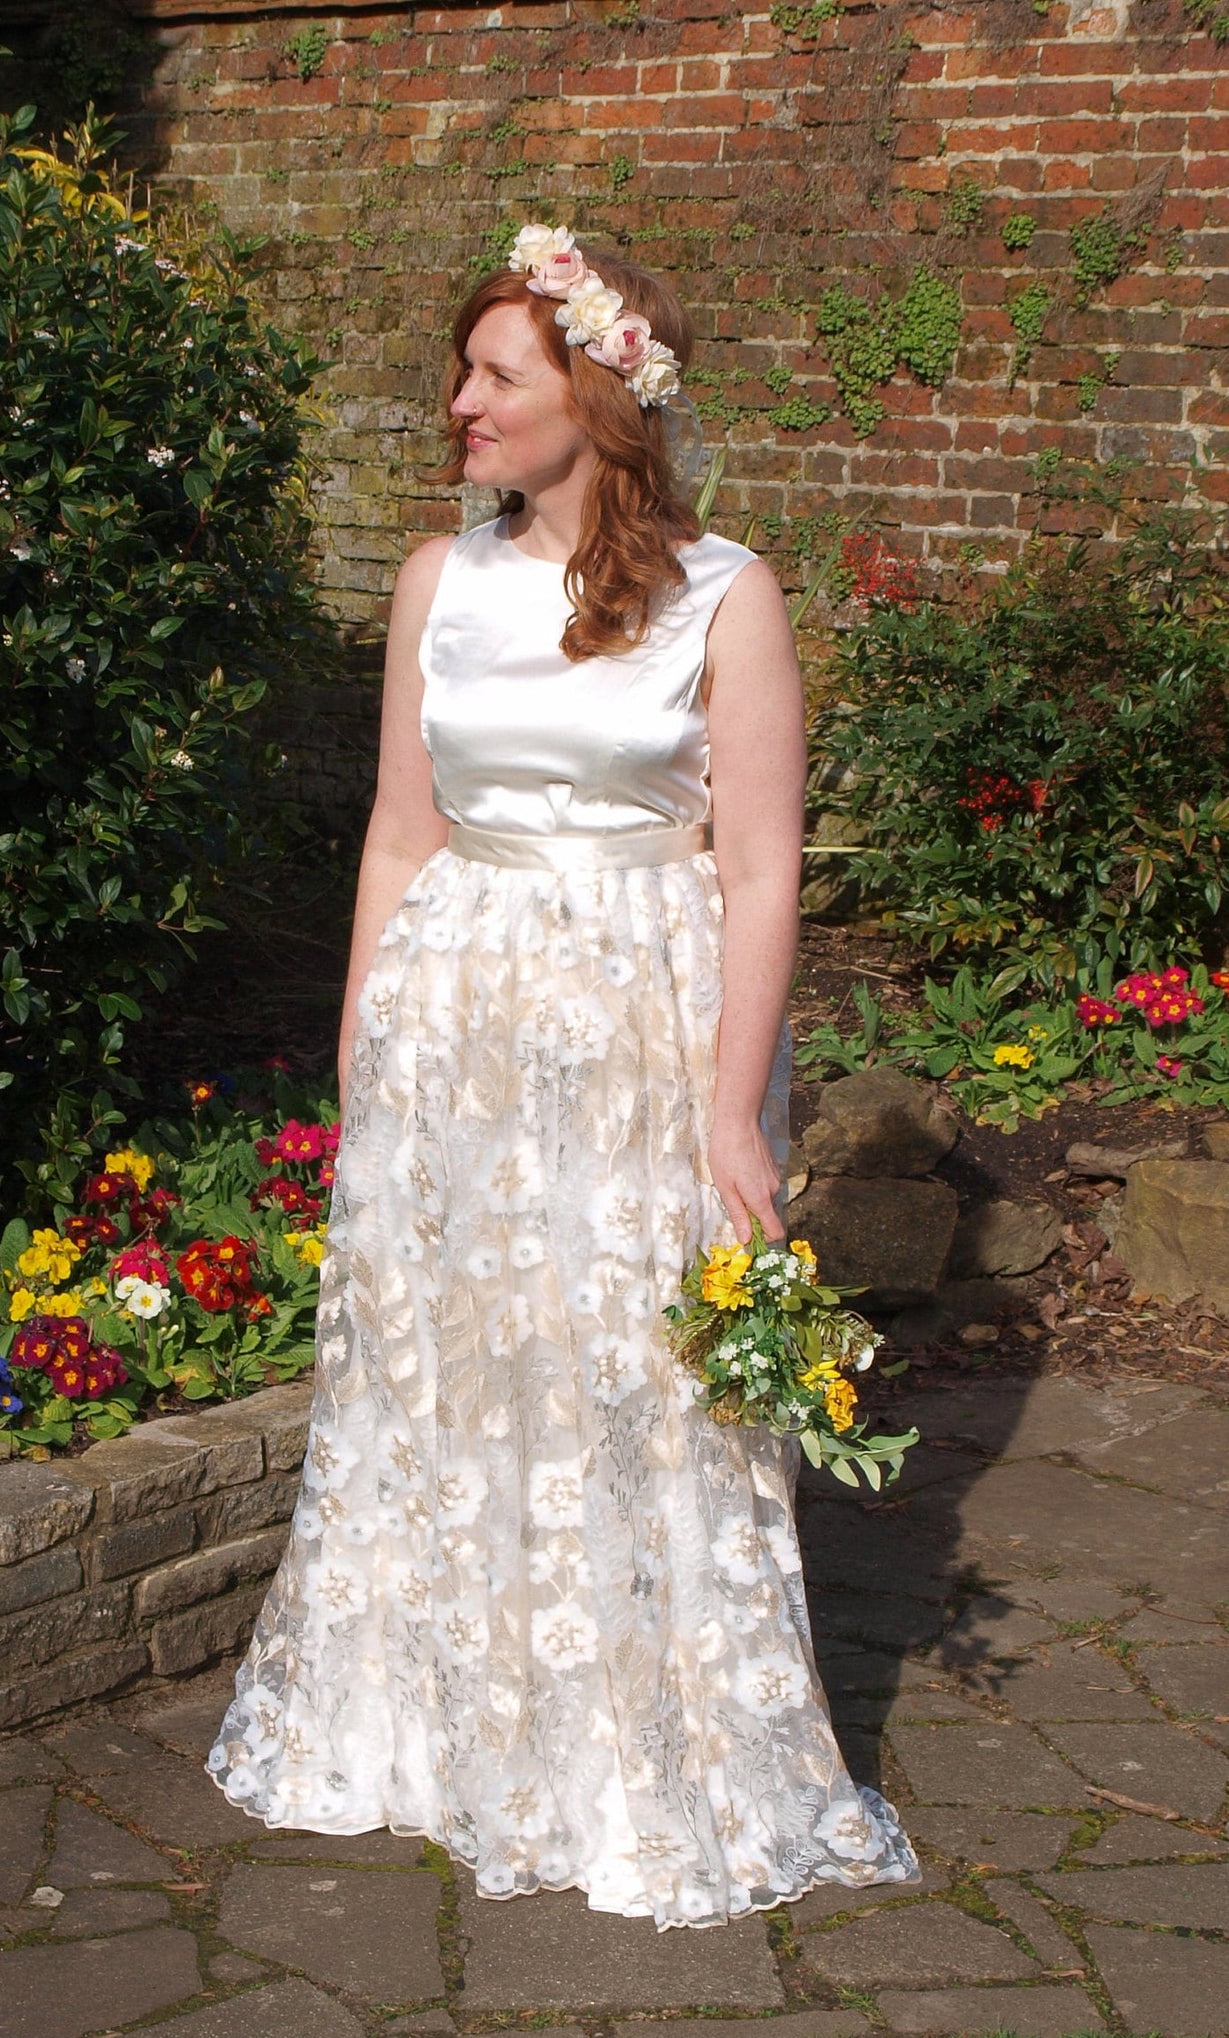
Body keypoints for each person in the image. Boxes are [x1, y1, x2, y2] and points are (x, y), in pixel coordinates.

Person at [207, 223, 918, 1929]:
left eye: (495, 375)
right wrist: (364, 1053)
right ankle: (445, 1730)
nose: (458, 403)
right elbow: (399, 827)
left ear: (597, 398)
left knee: (634, 1377)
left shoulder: (722, 595)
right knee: (453, 1367)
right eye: (461, 373)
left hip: (639, 1031)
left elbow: (758, 863)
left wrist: (732, 1111)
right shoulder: (434, 588)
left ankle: (632, 1752)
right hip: (457, 1022)